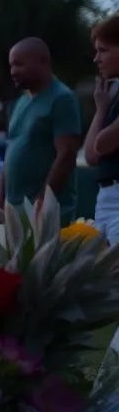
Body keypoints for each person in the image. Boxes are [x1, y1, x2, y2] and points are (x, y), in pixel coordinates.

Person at [0, 37, 82, 225]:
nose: (13, 71)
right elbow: (10, 152)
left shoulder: (62, 98)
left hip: (46, 214)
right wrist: (1, 203)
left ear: (43, 61)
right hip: (14, 212)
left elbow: (66, 156)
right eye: (11, 66)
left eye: (19, 65)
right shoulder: (21, 102)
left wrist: (42, 201)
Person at [85, 14, 119, 243]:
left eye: (103, 50)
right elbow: (91, 155)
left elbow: (103, 143)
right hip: (105, 197)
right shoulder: (112, 96)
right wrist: (100, 110)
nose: (97, 59)